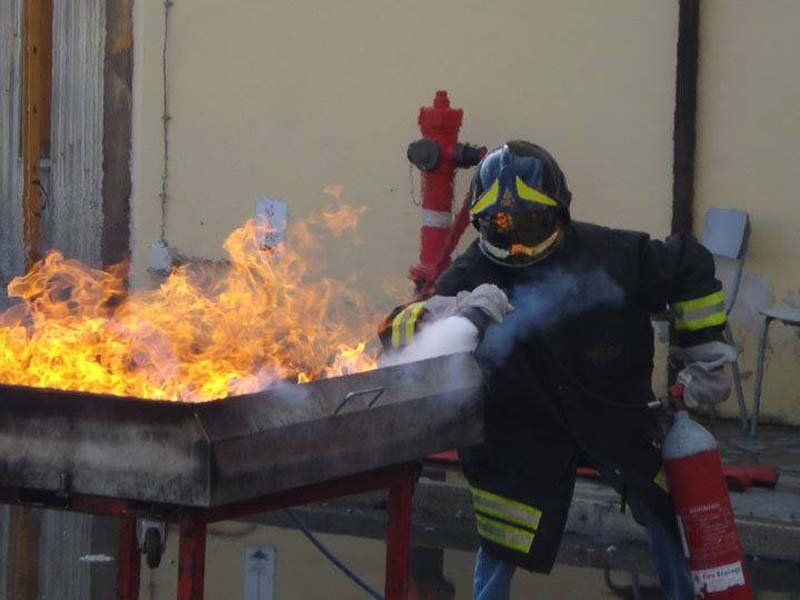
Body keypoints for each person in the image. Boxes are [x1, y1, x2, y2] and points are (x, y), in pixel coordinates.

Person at [379, 141, 735, 599]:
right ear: (481, 224)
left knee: (664, 515)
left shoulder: (613, 254)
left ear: (559, 214)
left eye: (530, 222)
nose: (518, 241)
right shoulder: (472, 271)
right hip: (522, 429)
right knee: (504, 537)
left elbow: (688, 263)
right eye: (501, 225)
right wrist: (452, 312)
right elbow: (395, 333)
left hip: (615, 415)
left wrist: (704, 352)